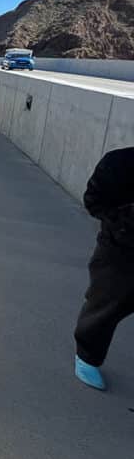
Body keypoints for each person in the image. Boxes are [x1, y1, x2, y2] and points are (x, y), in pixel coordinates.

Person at [73, 147, 134, 391]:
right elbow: (93, 200)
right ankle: (86, 357)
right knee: (105, 304)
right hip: (119, 251)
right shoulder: (120, 162)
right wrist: (125, 221)